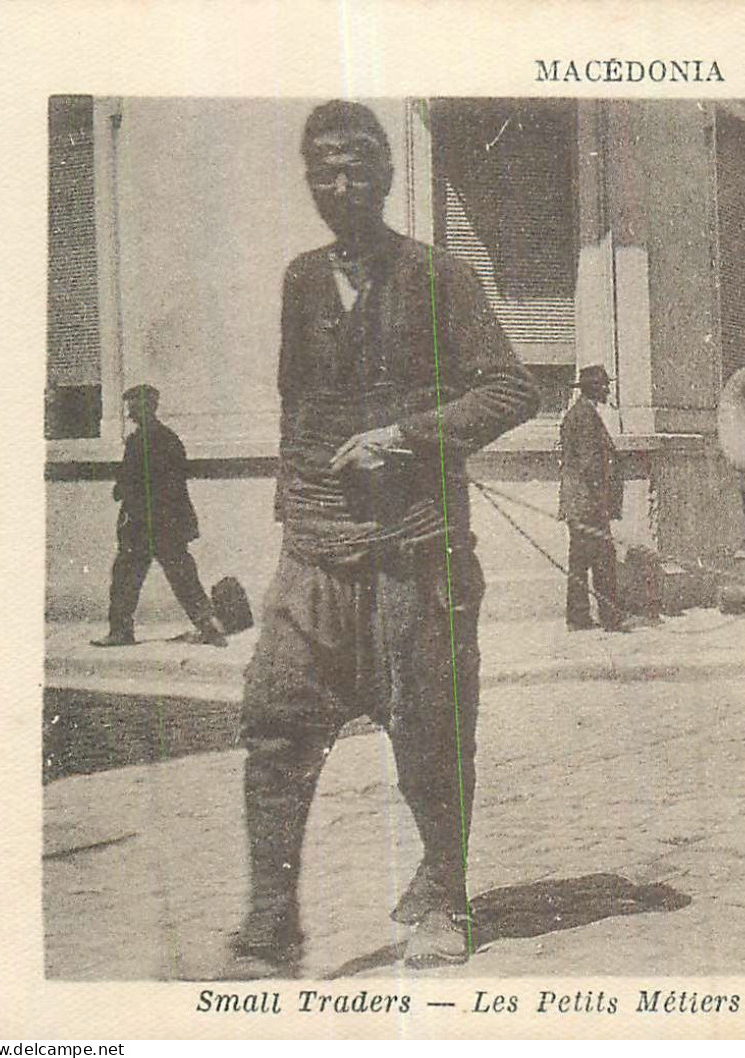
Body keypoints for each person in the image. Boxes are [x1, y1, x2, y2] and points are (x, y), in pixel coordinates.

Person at [225, 101, 539, 978]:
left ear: (388, 176)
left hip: (416, 548)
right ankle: (269, 927)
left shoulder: (438, 277)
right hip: (315, 551)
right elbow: (300, 405)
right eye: (323, 169)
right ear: (308, 180)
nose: (341, 184)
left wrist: (404, 437)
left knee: (429, 731)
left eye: (358, 166)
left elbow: (512, 391)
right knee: (275, 724)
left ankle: (444, 896)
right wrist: (295, 515)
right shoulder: (299, 279)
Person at [91, 384, 226, 648]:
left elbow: (134, 482)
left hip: (146, 525)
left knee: (126, 579)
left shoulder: (142, 441)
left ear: (146, 408)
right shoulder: (168, 438)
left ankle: (121, 632)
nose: (130, 415)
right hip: (166, 524)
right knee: (183, 578)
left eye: (134, 409)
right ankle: (209, 628)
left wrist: (122, 492)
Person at [558, 364, 625, 632]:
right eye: (603, 384)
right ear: (592, 388)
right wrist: (603, 502)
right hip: (588, 502)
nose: (607, 388)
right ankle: (610, 618)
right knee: (603, 559)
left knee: (580, 560)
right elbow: (590, 465)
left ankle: (578, 617)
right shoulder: (584, 417)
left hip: (579, 502)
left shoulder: (580, 413)